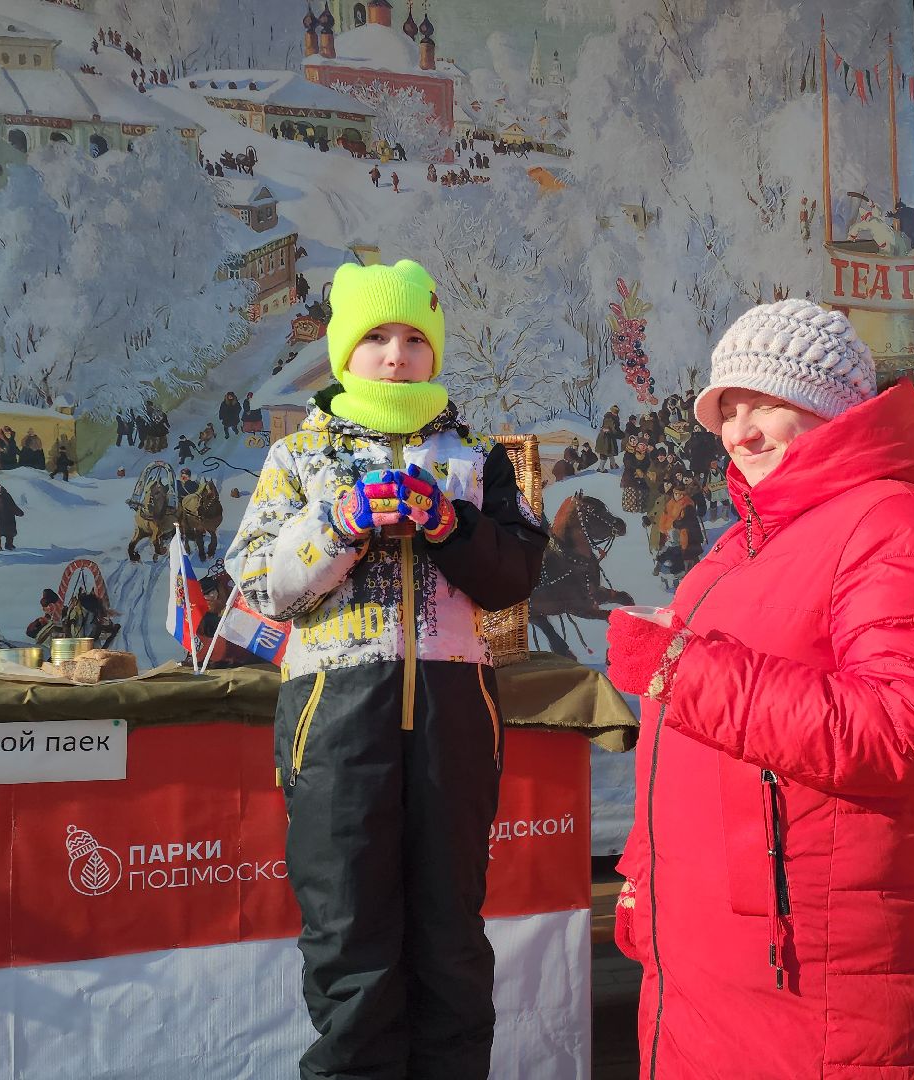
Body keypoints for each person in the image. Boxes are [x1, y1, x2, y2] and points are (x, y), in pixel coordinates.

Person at [606, 299, 914, 1078]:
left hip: (817, 972)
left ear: (833, 407)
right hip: (712, 960)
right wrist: (643, 875)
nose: (739, 433)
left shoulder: (899, 524)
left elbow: (901, 728)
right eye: (726, 411)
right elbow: (684, 746)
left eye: (765, 404)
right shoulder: (736, 549)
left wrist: (682, 668)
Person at [225, 259, 547, 1079]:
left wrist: (451, 526)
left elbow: (515, 576)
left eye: (414, 337)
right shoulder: (299, 455)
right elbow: (261, 582)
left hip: (455, 717)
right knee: (350, 940)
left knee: (451, 940)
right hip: (334, 720)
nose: (397, 354)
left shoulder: (479, 457)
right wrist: (337, 526)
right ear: (343, 351)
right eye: (376, 337)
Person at [0, 479, 23, 551]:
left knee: (10, 533)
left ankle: (9, 545)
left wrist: (18, 512)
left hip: (8, 517)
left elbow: (12, 505)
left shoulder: (6, 495)